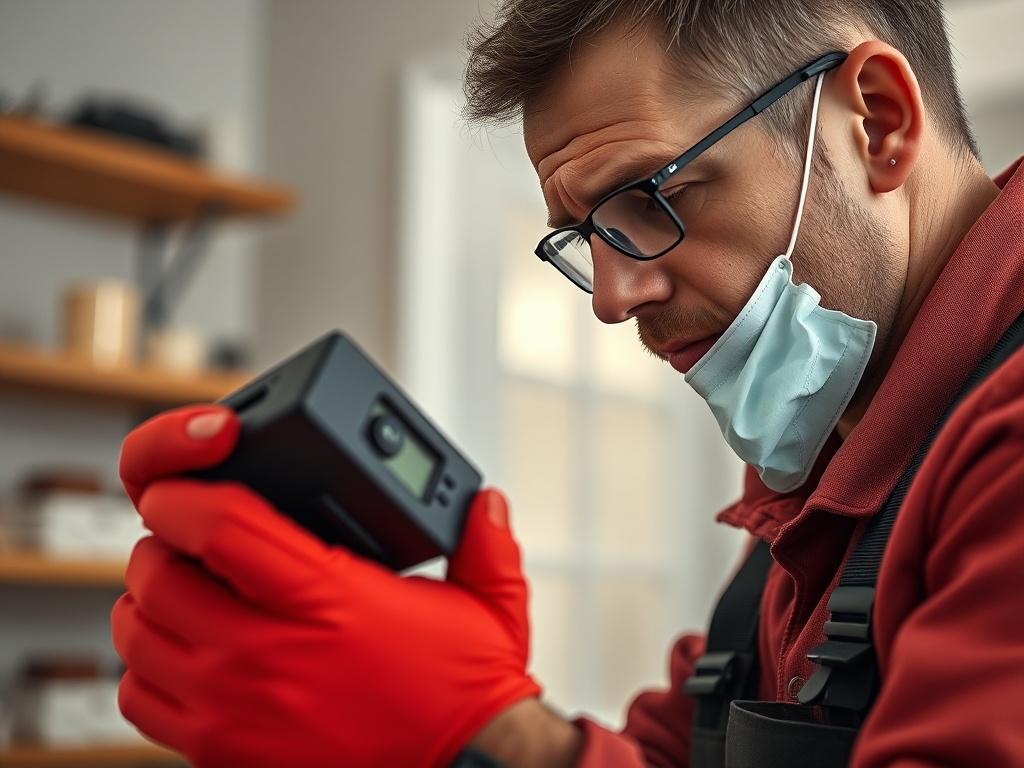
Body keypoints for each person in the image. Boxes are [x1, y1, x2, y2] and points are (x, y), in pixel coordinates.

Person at [112, 1, 1024, 766]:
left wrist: (492, 736)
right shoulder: (818, 453)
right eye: (584, 239)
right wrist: (461, 712)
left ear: (879, 121)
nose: (614, 300)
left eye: (652, 198)